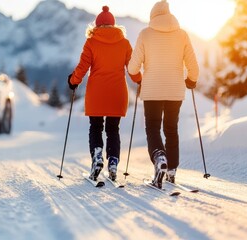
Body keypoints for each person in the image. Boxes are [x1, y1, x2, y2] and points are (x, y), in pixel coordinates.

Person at [128, 0, 199, 188]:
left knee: (152, 128)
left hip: (152, 90)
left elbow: (133, 67)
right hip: (175, 90)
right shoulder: (182, 35)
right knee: (171, 129)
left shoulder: (145, 34)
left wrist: (138, 77)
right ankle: (172, 170)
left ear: (153, 16)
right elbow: (194, 67)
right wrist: (191, 80)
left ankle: (160, 158)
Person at [68, 6, 142, 181]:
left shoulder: (91, 42)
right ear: (114, 25)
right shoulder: (124, 43)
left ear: (97, 25)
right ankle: (114, 162)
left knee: (95, 128)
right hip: (118, 93)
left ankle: (97, 156)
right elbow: (132, 69)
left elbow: (82, 68)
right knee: (113, 130)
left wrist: (73, 81)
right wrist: (139, 79)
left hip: (97, 94)